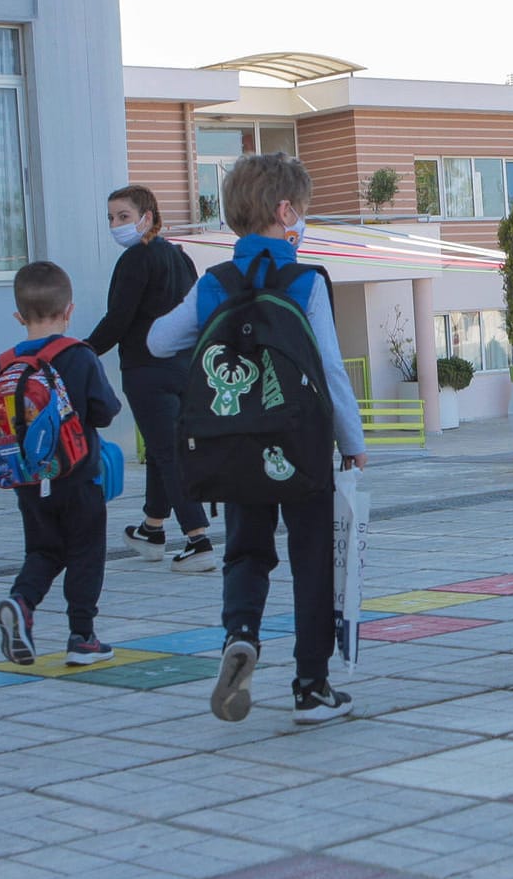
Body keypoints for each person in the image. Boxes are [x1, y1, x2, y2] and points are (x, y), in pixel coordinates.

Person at [146, 152, 367, 725]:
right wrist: (353, 441)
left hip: (232, 443)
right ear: (285, 210)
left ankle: (239, 635)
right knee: (312, 558)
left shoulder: (214, 282)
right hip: (301, 446)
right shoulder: (305, 281)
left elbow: (157, 342)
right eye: (303, 214)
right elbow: (330, 370)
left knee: (246, 550)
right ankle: (310, 687)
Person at [0, 262, 124, 667]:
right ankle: (82, 635)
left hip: (29, 481)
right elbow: (104, 411)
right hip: (78, 476)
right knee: (86, 551)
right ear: (69, 311)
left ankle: (22, 602)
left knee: (44, 550)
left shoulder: (1, 365)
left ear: (19, 316)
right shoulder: (79, 357)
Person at [84, 185, 213, 572]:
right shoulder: (180, 257)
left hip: (146, 370)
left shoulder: (134, 260)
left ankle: (198, 539)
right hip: (184, 367)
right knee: (163, 447)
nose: (115, 225)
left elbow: (118, 320)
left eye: (123, 216)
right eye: (111, 218)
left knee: (168, 452)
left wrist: (81, 352)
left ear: (147, 217)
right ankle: (152, 529)